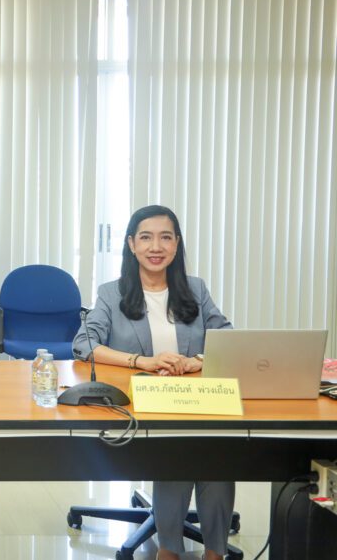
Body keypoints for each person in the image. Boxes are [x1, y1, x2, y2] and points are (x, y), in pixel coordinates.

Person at [72, 205, 234, 560]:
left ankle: (215, 553)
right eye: (146, 237)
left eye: (165, 237)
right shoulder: (112, 293)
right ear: (132, 244)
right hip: (139, 404)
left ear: (177, 244)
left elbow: (226, 337)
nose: (156, 246)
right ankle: (169, 550)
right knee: (179, 448)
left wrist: (197, 361)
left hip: (196, 398)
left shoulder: (196, 289)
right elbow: (84, 344)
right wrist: (141, 361)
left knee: (218, 451)